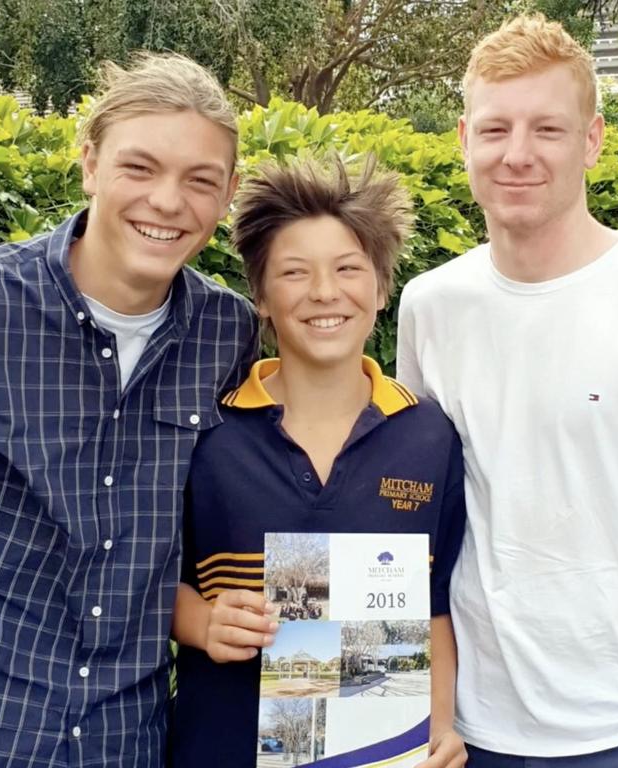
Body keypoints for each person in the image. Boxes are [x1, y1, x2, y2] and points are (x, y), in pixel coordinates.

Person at [397, 14, 618, 768]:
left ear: (592, 139)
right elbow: (410, 512)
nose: (517, 155)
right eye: (495, 130)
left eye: (547, 129)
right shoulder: (429, 305)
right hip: (465, 735)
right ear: (463, 139)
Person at [0, 53, 257, 767]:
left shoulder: (230, 334)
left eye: (200, 181)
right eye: (140, 168)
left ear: (228, 196)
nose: (168, 202)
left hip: (129, 743)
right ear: (90, 163)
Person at [169, 156, 468, 768]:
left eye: (348, 269)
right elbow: (141, 573)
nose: (325, 293)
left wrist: (439, 727)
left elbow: (434, 607)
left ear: (382, 288)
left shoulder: (430, 437)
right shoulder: (209, 434)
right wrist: (200, 623)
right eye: (295, 272)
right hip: (222, 747)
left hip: (380, 754)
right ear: (261, 296)